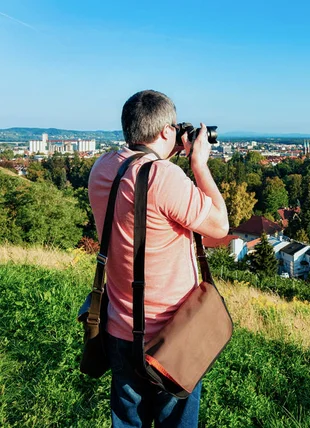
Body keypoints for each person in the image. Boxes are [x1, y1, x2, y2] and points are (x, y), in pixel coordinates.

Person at [88, 90, 229, 427]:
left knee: (127, 420)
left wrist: (167, 155)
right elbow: (220, 226)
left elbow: (140, 181)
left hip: (118, 328)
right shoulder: (165, 178)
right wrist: (198, 163)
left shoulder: (102, 168)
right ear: (167, 131)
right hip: (170, 337)